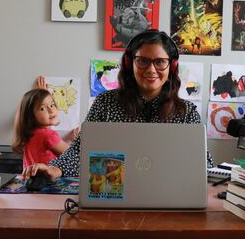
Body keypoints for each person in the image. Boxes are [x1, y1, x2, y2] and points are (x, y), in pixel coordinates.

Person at [23, 30, 204, 180]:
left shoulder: (186, 112)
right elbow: (80, 150)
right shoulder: (105, 103)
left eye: (160, 62)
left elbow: (203, 163)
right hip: (112, 192)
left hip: (169, 196)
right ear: (129, 63)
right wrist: (55, 169)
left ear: (171, 66)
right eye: (142, 61)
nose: (151, 69)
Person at [12, 88, 78, 169]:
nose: (51, 110)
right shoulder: (48, 135)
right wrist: (75, 140)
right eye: (42, 108)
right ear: (31, 116)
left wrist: (41, 96)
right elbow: (73, 155)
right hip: (49, 181)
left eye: (52, 104)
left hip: (31, 180)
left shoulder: (31, 133)